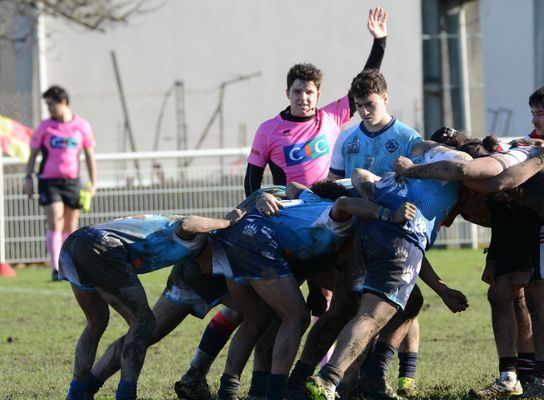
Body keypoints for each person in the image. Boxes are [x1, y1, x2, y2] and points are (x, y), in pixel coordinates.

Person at [393, 140, 544, 397]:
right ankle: (522, 376)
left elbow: (474, 174)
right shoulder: (520, 154)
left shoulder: (507, 159)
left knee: (541, 296)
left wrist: (411, 170)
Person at [212, 180, 417, 400]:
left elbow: (291, 186)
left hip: (236, 235)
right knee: (296, 317)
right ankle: (275, 394)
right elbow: (344, 203)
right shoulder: (340, 217)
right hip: (257, 240)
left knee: (256, 318)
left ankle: (229, 390)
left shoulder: (310, 199)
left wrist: (264, 197)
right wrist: (388, 214)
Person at [294, 68, 424, 400]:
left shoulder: (409, 138)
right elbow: (333, 185)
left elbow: (418, 189)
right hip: (353, 236)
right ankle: (309, 378)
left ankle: (372, 375)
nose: (365, 111)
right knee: (346, 307)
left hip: (394, 232)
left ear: (385, 99)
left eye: (370, 104)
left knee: (402, 303)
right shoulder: (348, 138)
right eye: (359, 105)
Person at [305, 147, 471, 400]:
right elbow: (460, 169)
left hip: (368, 234)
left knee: (380, 306)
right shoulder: (460, 165)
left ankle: (337, 380)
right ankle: (329, 379)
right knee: (371, 316)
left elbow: (361, 175)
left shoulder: (419, 156)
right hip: (399, 238)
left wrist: (442, 289)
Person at [58, 212, 244, 400]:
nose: (215, 270)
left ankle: (76, 394)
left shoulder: (195, 254)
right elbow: (188, 223)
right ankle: (126, 395)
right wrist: (228, 222)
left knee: (95, 323)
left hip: (73, 245)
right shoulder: (199, 237)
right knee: (143, 322)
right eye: (218, 263)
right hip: (100, 246)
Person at [243, 7, 388, 194]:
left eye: (309, 92)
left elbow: (364, 83)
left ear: (318, 95)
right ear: (287, 93)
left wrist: (380, 42)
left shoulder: (332, 115)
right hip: (293, 206)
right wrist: (254, 204)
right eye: (297, 91)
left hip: (331, 203)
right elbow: (252, 178)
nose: (303, 98)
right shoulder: (267, 130)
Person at [23, 85, 97, 281]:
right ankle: (55, 267)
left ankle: (68, 265)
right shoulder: (45, 127)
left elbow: (90, 156)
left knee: (71, 225)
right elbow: (32, 155)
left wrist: (93, 182)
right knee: (55, 219)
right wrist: (28, 177)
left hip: (72, 182)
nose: (49, 109)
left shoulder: (82, 126)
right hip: (49, 181)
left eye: (51, 104)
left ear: (63, 102)